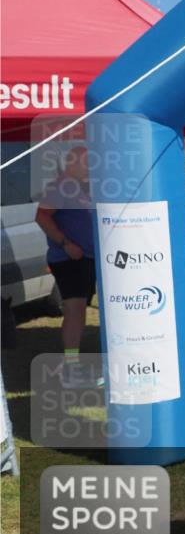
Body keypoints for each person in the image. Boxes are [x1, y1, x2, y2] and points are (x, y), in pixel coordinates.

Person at [34, 147, 98, 387]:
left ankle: (72, 363)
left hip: (86, 258)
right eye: (86, 162)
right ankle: (70, 366)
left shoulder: (81, 188)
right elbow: (41, 216)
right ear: (72, 163)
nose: (90, 166)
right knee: (74, 309)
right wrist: (65, 243)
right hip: (68, 258)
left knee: (79, 309)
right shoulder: (59, 186)